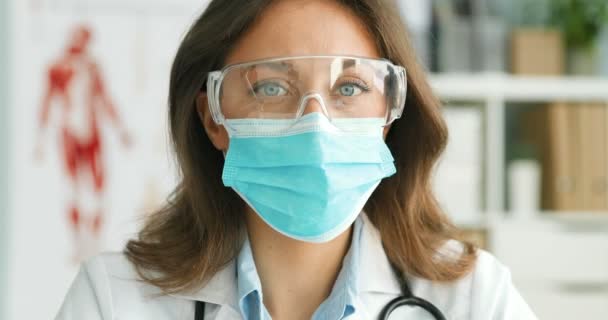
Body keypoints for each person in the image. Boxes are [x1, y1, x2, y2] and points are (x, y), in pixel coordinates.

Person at [55, 0, 538, 319]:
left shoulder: (474, 300)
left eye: (349, 88)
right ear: (213, 117)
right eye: (271, 87)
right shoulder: (114, 300)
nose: (316, 125)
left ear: (388, 117)